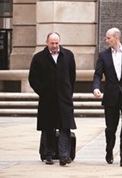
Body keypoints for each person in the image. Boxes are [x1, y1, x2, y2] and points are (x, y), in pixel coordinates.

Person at [92, 27, 122, 168]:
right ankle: (109, 150)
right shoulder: (103, 55)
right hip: (111, 96)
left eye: (108, 38)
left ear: (116, 38)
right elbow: (97, 74)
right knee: (110, 128)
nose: (106, 40)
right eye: (106, 38)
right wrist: (96, 88)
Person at [28, 32, 76, 166]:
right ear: (47, 42)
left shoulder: (68, 55)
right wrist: (42, 91)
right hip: (47, 99)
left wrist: (68, 92)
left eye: (57, 43)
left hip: (64, 98)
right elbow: (33, 78)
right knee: (48, 127)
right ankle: (48, 154)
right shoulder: (38, 58)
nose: (55, 46)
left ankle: (64, 156)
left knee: (65, 127)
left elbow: (72, 76)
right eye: (52, 43)